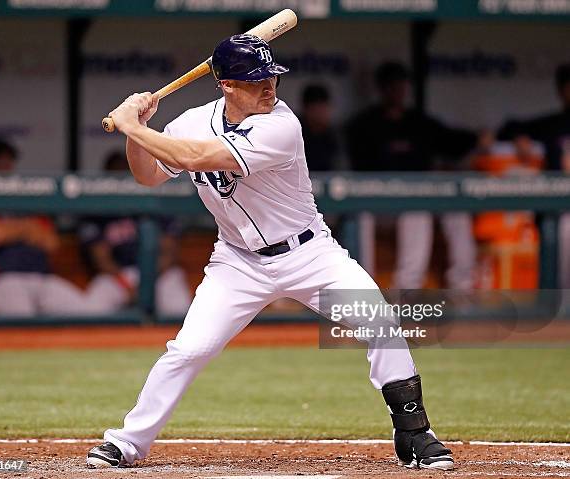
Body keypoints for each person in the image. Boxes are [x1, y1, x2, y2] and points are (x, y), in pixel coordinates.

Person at [86, 35, 454, 471]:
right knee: (189, 350)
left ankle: (414, 433)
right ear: (225, 84)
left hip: (309, 254)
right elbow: (147, 175)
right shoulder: (189, 121)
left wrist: (134, 126)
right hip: (236, 262)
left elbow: (194, 157)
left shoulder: (281, 125)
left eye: (271, 77)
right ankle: (128, 442)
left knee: (379, 319)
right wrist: (140, 131)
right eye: (255, 80)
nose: (268, 87)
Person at [346, 62, 485, 289]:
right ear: (381, 89)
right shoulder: (365, 124)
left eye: (401, 84)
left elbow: (452, 141)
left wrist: (480, 138)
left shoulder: (417, 122)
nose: (397, 90)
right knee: (360, 216)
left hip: (416, 198)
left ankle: (444, 286)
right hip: (378, 201)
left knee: (442, 210)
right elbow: (360, 165)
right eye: (391, 85)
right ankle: (363, 289)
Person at [0, 139, 122, 316]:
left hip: (41, 279)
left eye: (8, 162)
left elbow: (50, 242)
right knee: (23, 317)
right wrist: (28, 229)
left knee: (88, 313)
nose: (4, 167)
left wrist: (12, 230)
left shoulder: (23, 198)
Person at [79, 151, 192, 316]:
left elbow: (169, 253)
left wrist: (147, 281)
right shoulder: (99, 211)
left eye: (124, 173)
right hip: (118, 276)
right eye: (114, 175)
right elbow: (101, 258)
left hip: (158, 273)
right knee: (92, 310)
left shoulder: (157, 202)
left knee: (179, 309)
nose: (120, 181)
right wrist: (126, 284)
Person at [499, 63, 570, 288]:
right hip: (563, 207)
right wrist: (519, 136)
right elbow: (509, 127)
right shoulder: (554, 125)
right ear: (561, 91)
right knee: (566, 228)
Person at [299, 84, 341, 172]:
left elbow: (340, 168)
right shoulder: (295, 134)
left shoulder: (334, 136)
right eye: (315, 109)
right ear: (306, 109)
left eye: (323, 108)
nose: (320, 114)